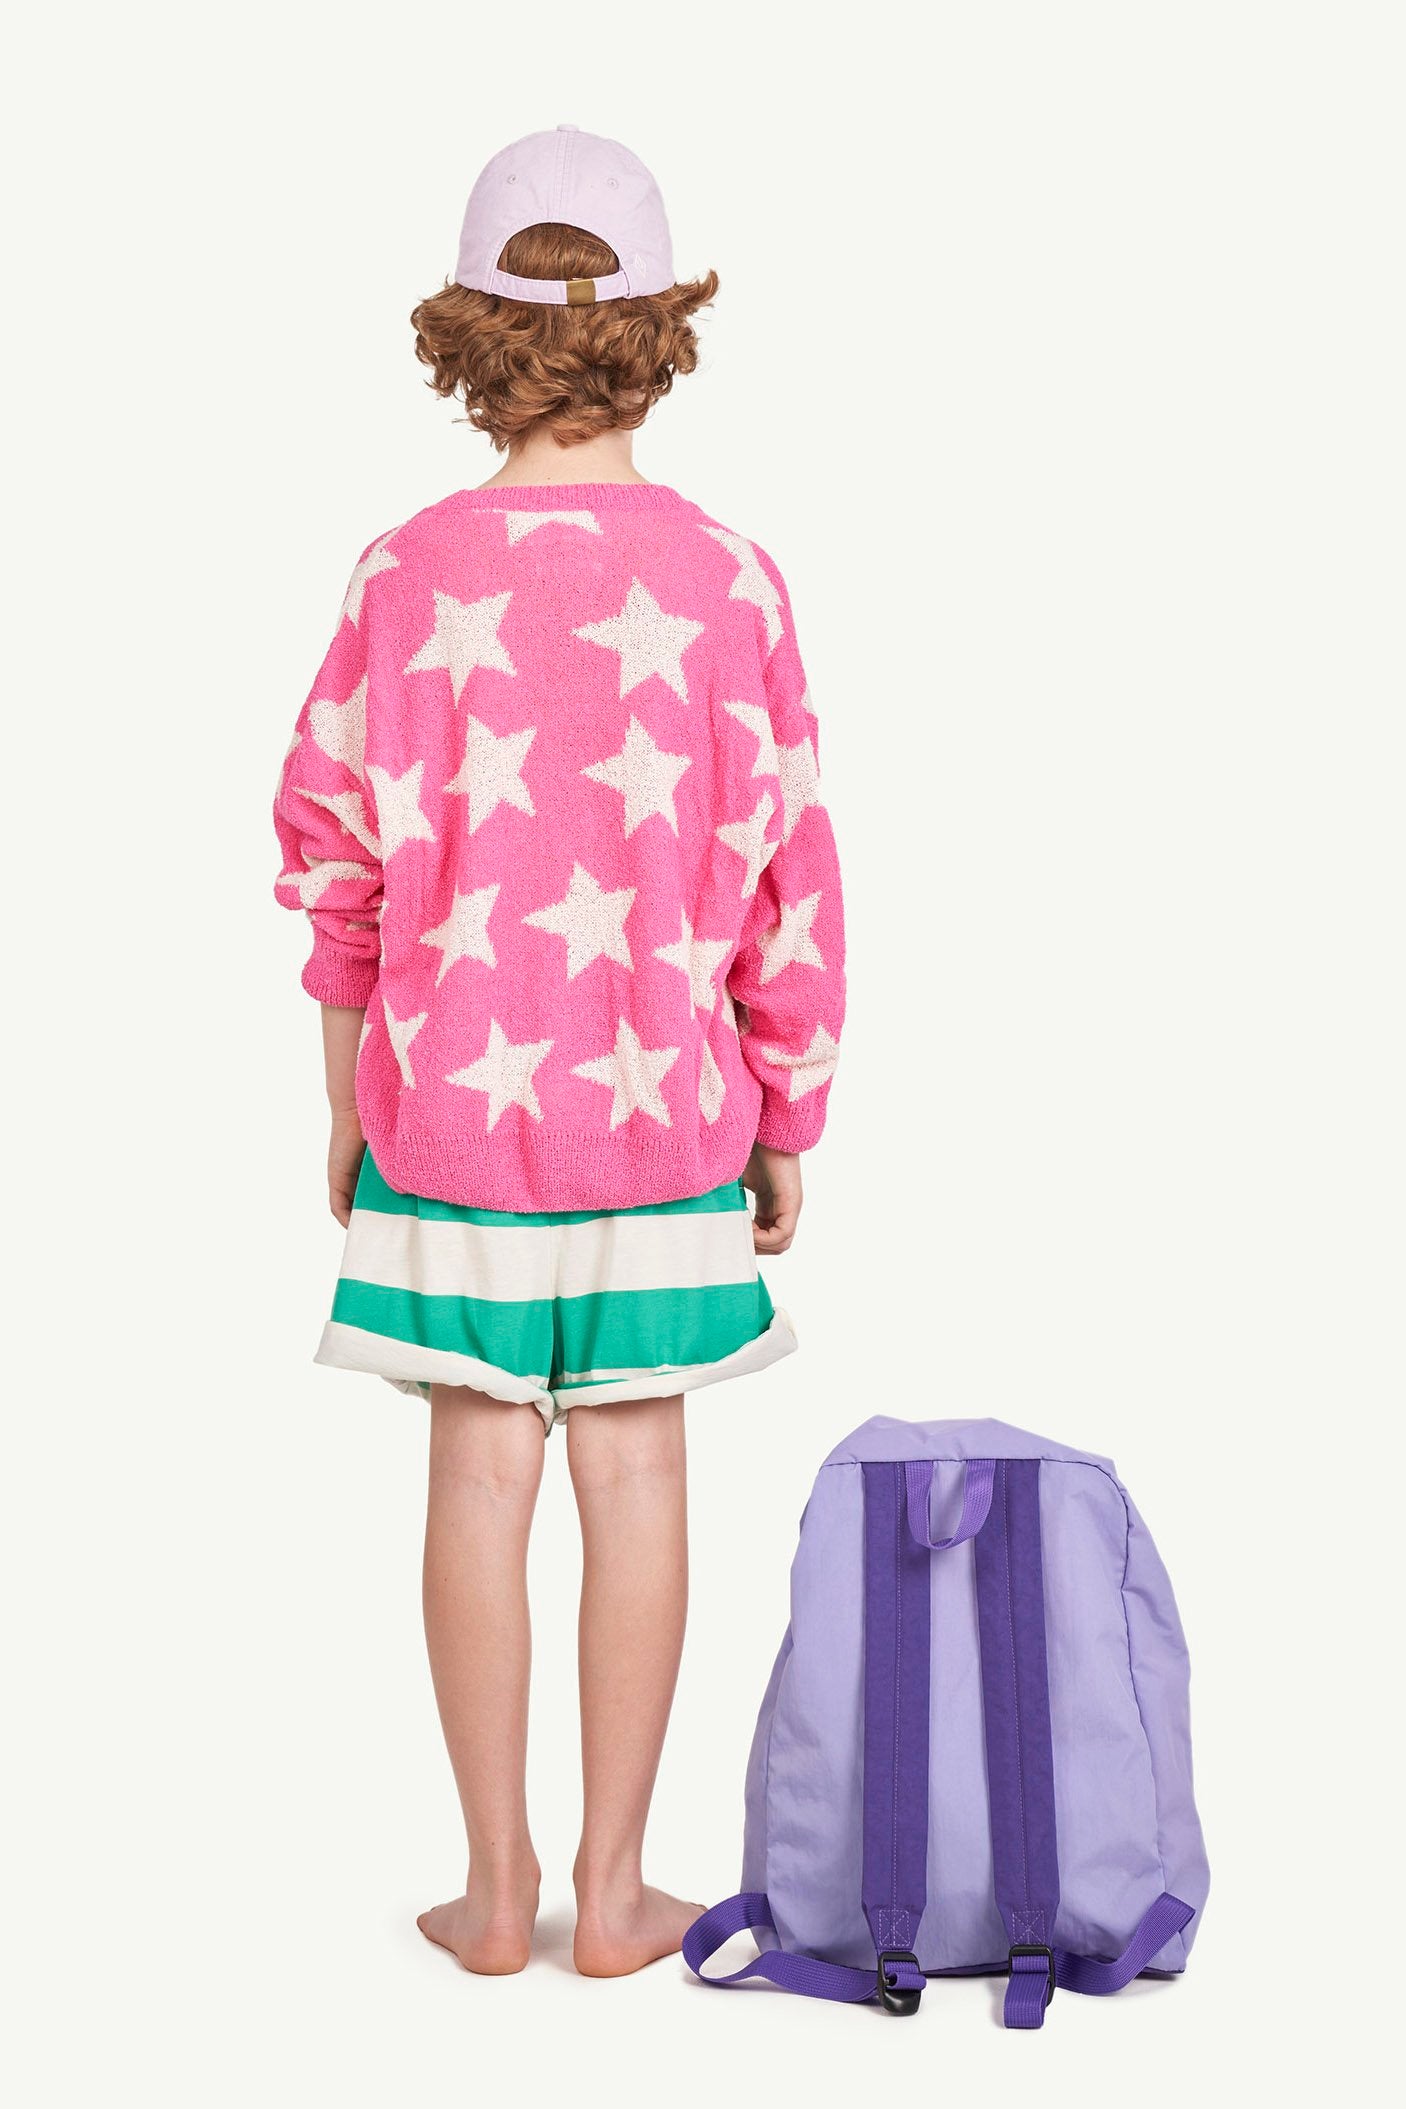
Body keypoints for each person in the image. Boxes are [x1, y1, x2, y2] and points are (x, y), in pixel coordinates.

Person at [272, 127, 845, 1978]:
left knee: (472, 1469)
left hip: (446, 1113)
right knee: (639, 1471)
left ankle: (494, 1887)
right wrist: (785, 1107)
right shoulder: (733, 581)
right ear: (662, 327)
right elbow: (788, 871)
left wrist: (345, 1104)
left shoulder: (401, 575)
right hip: (666, 1113)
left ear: (466, 334)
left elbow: (336, 863)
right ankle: (614, 1889)